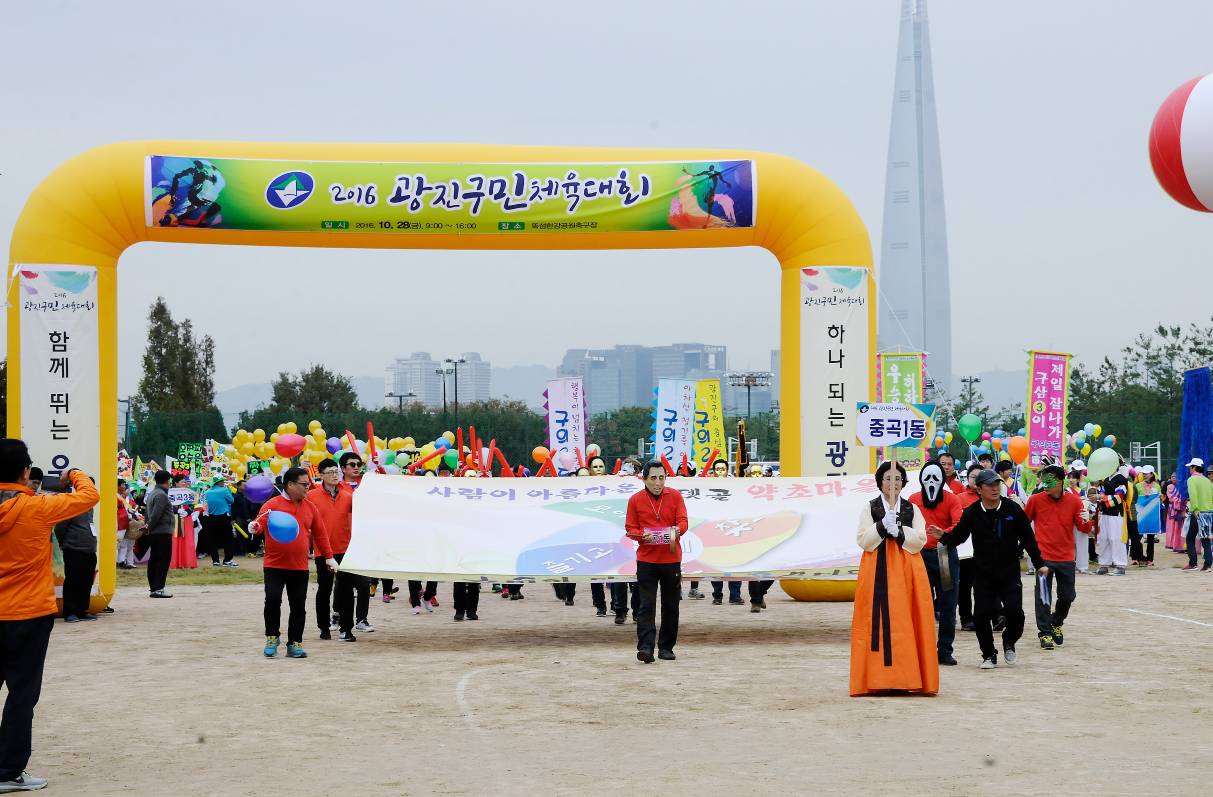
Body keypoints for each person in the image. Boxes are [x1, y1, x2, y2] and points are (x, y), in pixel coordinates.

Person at [0, 441, 99, 793]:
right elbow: (89, 495)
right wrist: (72, 472)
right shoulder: (37, 507)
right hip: (27, 613)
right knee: (21, 692)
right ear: (26, 472)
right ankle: (8, 770)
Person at [936, 470, 1046, 669]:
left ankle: (1009, 640)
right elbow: (958, 537)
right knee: (981, 615)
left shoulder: (1012, 509)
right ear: (979, 489)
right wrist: (942, 536)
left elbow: (1028, 538)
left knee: (1015, 614)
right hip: (984, 573)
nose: (995, 488)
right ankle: (988, 654)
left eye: (997, 484)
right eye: (989, 485)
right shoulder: (972, 512)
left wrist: (1040, 564)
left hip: (1010, 572)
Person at [849, 460, 937, 696]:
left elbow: (920, 539)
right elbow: (863, 540)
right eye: (887, 478)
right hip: (877, 568)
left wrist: (899, 532)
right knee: (876, 621)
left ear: (903, 482)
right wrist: (881, 527)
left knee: (906, 621)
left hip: (907, 570)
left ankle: (905, 677)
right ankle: (878, 678)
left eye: (897, 478)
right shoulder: (870, 508)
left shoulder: (912, 509)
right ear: (880, 482)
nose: (893, 483)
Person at [250, 468, 336, 659]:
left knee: (298, 605)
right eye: (304, 484)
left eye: (308, 484)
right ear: (290, 485)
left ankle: (295, 643)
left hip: (299, 566)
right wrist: (254, 527)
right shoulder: (272, 505)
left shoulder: (310, 507)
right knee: (272, 600)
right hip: (274, 565)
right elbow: (259, 524)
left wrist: (329, 557)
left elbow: (321, 534)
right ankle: (272, 637)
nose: (308, 488)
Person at [625, 462, 688, 663]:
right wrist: (643, 536)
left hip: (671, 559)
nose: (658, 482)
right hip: (647, 560)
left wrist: (678, 530)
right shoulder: (635, 500)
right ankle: (645, 648)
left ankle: (666, 648)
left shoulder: (675, 496)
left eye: (661, 478)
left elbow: (684, 521)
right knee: (646, 606)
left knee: (671, 605)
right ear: (644, 479)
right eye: (653, 478)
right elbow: (630, 528)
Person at [1024, 465, 1092, 650]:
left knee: (1068, 596)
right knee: (1043, 597)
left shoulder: (1075, 501)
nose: (1044, 484)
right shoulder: (1035, 500)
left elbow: (1084, 529)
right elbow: (1023, 523)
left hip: (1066, 557)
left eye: (1049, 481)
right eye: (1043, 480)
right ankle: (1045, 633)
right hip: (1043, 557)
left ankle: (1056, 622)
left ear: (1060, 482)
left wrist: (1089, 518)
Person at [908, 460, 963, 666]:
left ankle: (945, 650)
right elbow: (905, 525)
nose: (931, 482)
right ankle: (920, 649)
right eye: (927, 478)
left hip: (944, 555)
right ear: (921, 480)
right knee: (920, 603)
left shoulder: (951, 500)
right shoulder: (913, 500)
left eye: (935, 478)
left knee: (948, 604)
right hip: (919, 555)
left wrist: (944, 533)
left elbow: (959, 525)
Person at [307, 459, 365, 641]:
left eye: (336, 472)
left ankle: (346, 629)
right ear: (321, 475)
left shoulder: (348, 496)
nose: (334, 475)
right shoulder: (312, 496)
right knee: (324, 589)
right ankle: (324, 627)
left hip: (345, 549)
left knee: (346, 591)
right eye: (330, 472)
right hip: (323, 551)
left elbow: (362, 514)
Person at [53, 476, 99, 623]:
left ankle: (82, 610)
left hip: (89, 549)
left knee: (86, 581)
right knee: (73, 580)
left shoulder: (90, 507)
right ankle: (70, 611)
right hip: (74, 548)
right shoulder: (72, 504)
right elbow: (60, 527)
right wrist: (63, 543)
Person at [955, 463, 982, 631]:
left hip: (985, 549)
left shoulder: (991, 497)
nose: (976, 480)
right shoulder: (959, 498)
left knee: (985, 585)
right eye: (973, 477)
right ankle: (966, 618)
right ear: (967, 478)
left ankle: (989, 616)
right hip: (965, 550)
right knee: (964, 586)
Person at [1095, 458, 1130, 576]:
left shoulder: (1121, 478)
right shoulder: (1106, 478)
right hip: (1106, 512)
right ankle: (1104, 564)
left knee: (1116, 538)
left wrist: (1101, 498)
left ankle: (1120, 565)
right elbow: (1102, 492)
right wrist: (1098, 497)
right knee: (1104, 538)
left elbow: (1120, 497)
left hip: (1116, 513)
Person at [143, 470, 176, 598]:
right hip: (162, 532)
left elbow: (147, 513)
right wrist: (149, 526)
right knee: (162, 560)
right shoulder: (161, 495)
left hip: (154, 532)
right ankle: (158, 588)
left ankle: (154, 587)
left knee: (155, 559)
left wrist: (147, 526)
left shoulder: (152, 493)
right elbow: (156, 514)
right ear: (167, 480)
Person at [1181, 458, 1213, 572]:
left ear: (1194, 467)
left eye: (1190, 467)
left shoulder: (1191, 480)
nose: (1189, 469)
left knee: (1190, 538)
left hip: (1198, 512)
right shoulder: (1207, 481)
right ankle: (1208, 565)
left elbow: (1193, 496)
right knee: (1205, 539)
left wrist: (1194, 509)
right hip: (1209, 512)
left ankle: (1193, 563)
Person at [201, 479, 237, 568]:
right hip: (223, 517)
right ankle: (227, 561)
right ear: (219, 482)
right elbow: (231, 500)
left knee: (212, 540)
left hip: (210, 518)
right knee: (228, 539)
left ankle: (215, 561)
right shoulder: (224, 490)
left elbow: (204, 504)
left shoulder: (207, 491)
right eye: (222, 481)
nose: (224, 483)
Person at [116, 481, 138, 570]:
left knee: (122, 544)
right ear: (117, 486)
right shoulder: (115, 496)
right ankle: (117, 562)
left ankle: (121, 562)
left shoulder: (120, 497)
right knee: (117, 544)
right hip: (118, 523)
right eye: (122, 485)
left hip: (123, 523)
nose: (124, 487)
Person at [1164, 471, 1186, 553]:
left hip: (1181, 508)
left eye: (1175, 477)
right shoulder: (1170, 486)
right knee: (1172, 526)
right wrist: (1179, 502)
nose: (1174, 478)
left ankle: (1180, 545)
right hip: (1172, 509)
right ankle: (1172, 544)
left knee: (1179, 527)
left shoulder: (1182, 486)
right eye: (1172, 476)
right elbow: (1171, 497)